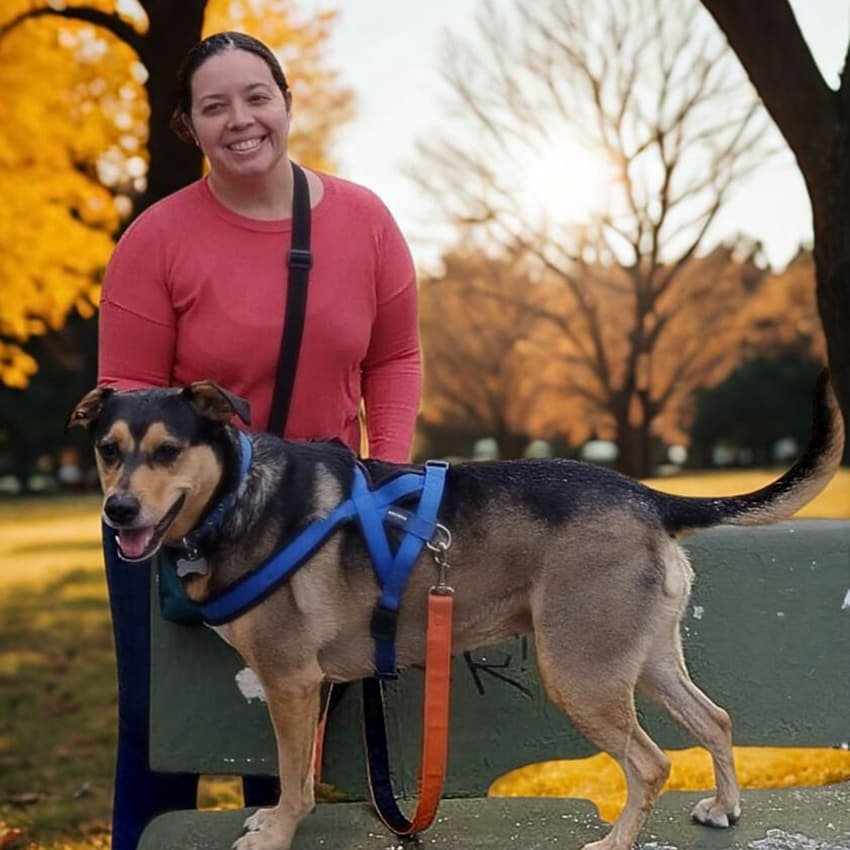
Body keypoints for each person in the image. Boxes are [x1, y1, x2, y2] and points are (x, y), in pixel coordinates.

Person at [97, 31, 421, 850]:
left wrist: (387, 466)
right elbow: (127, 410)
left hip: (321, 520)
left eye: (256, 97)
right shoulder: (155, 242)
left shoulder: (364, 220)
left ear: (286, 103)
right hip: (176, 520)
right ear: (189, 125)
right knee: (159, 719)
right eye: (214, 106)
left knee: (291, 713)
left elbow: (395, 355)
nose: (240, 120)